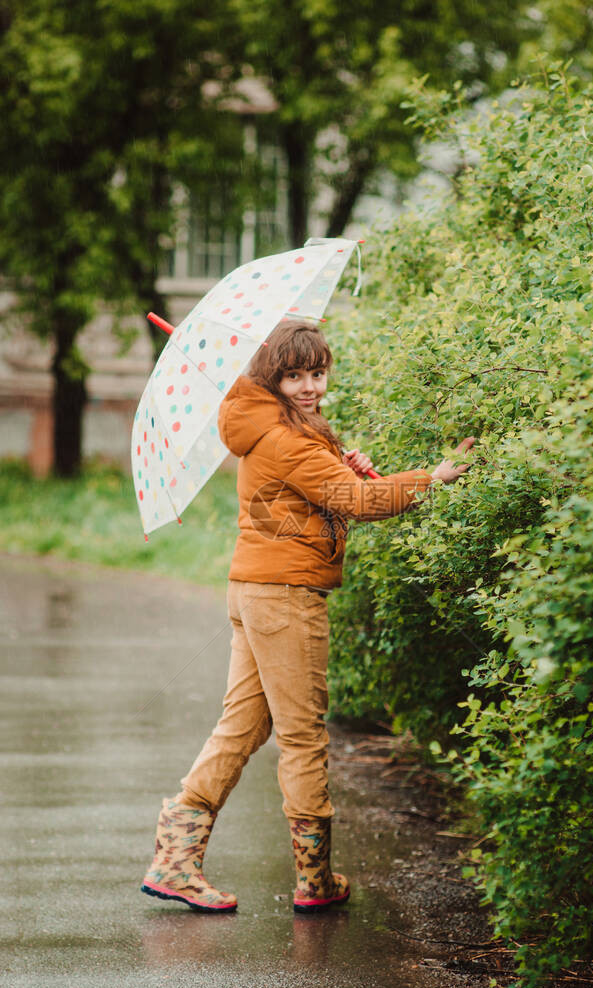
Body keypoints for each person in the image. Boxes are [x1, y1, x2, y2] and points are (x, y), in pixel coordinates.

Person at [141, 320, 475, 914]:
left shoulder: (272, 428)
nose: (308, 386)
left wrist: (340, 460)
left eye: (316, 372)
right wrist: (435, 478)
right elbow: (359, 501)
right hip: (286, 596)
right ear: (271, 377)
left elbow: (321, 491)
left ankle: (175, 861)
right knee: (304, 736)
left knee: (243, 727)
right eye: (293, 375)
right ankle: (314, 880)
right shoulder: (286, 439)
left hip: (254, 589)